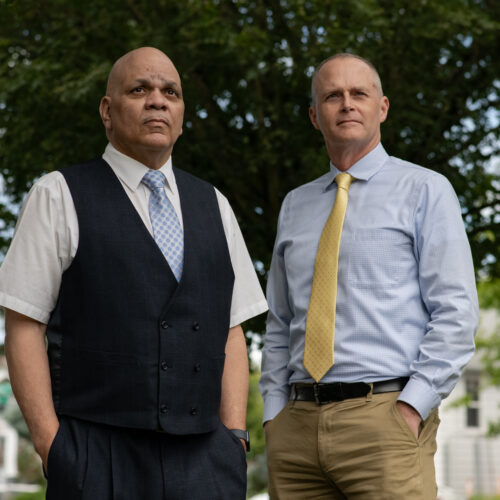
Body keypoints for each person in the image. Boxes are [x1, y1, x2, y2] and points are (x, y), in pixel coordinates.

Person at [0, 47, 267, 499]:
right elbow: (24, 325)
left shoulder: (215, 205)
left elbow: (230, 330)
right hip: (96, 459)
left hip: (206, 463)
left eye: (170, 92)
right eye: (139, 89)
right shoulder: (58, 194)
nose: (157, 100)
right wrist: (54, 447)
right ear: (108, 110)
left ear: (181, 114)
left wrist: (234, 438)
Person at [259, 53, 478, 499]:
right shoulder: (295, 205)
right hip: (296, 429)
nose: (347, 104)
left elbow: (455, 314)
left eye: (359, 93)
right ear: (314, 116)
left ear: (382, 108)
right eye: (332, 96)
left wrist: (411, 407)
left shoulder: (425, 190)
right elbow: (280, 322)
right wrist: (273, 414)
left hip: (385, 420)